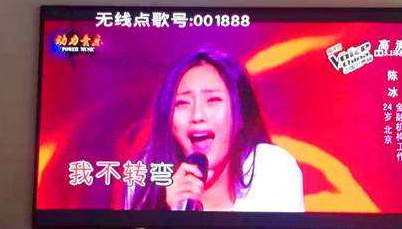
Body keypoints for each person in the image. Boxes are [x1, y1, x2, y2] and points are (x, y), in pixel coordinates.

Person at [127, 49, 304, 212]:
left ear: (241, 113)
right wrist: (172, 215)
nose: (197, 115)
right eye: (182, 103)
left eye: (213, 100)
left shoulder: (271, 168)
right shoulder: (146, 177)